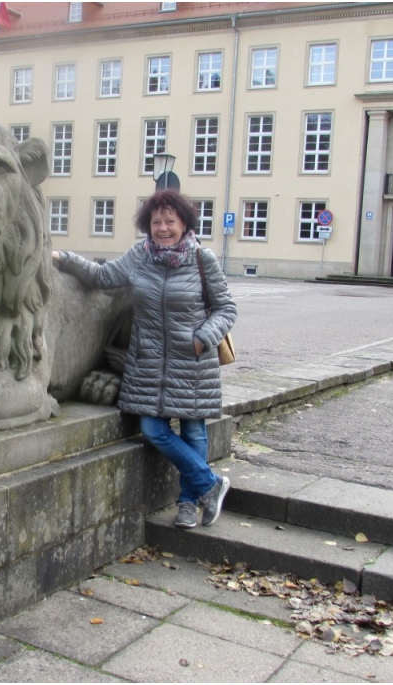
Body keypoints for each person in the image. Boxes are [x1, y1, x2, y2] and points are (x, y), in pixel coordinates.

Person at [53, 189, 237, 529]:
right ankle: (211, 484)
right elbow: (102, 277)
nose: (163, 228)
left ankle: (187, 504)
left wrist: (202, 339)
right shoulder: (139, 256)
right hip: (148, 364)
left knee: (194, 430)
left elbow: (226, 309)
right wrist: (64, 258)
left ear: (183, 223)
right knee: (153, 430)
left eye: (170, 221)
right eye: (156, 222)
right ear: (147, 225)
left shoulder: (201, 259)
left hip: (192, 363)